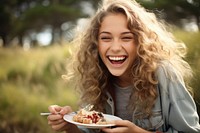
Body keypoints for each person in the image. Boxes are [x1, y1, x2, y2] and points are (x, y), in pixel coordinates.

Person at [47, 0, 200, 132]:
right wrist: (70, 126)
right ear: (96, 44)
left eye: (126, 38)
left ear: (141, 42)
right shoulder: (95, 75)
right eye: (106, 38)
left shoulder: (164, 74)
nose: (115, 47)